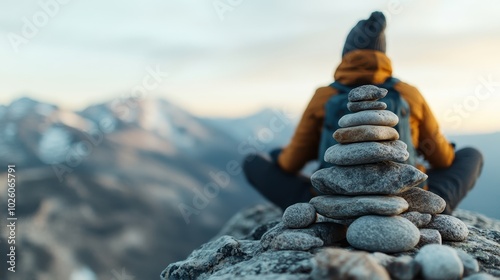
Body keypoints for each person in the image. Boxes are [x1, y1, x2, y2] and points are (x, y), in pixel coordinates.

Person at [243, 11, 483, 214]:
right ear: (383, 56)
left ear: (345, 55)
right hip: (408, 200)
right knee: (471, 155)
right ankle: (433, 206)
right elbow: (444, 160)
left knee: (253, 162)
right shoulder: (408, 93)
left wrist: (278, 156)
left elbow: (290, 163)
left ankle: (326, 206)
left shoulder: (323, 96)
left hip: (333, 203)